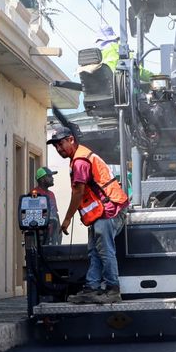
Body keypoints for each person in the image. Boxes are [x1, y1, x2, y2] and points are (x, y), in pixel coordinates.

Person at [52, 127, 128, 304]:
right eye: (55, 146)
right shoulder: (80, 157)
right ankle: (91, 287)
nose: (59, 149)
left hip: (109, 210)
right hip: (103, 211)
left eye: (61, 144)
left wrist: (67, 218)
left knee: (104, 250)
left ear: (71, 139)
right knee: (94, 251)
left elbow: (78, 193)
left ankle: (112, 289)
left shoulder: (80, 161)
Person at [29, 166, 62, 245]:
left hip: (52, 233)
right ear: (42, 179)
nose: (52, 178)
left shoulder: (51, 194)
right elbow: (33, 214)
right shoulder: (35, 194)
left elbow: (55, 213)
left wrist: (59, 232)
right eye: (49, 176)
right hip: (41, 234)